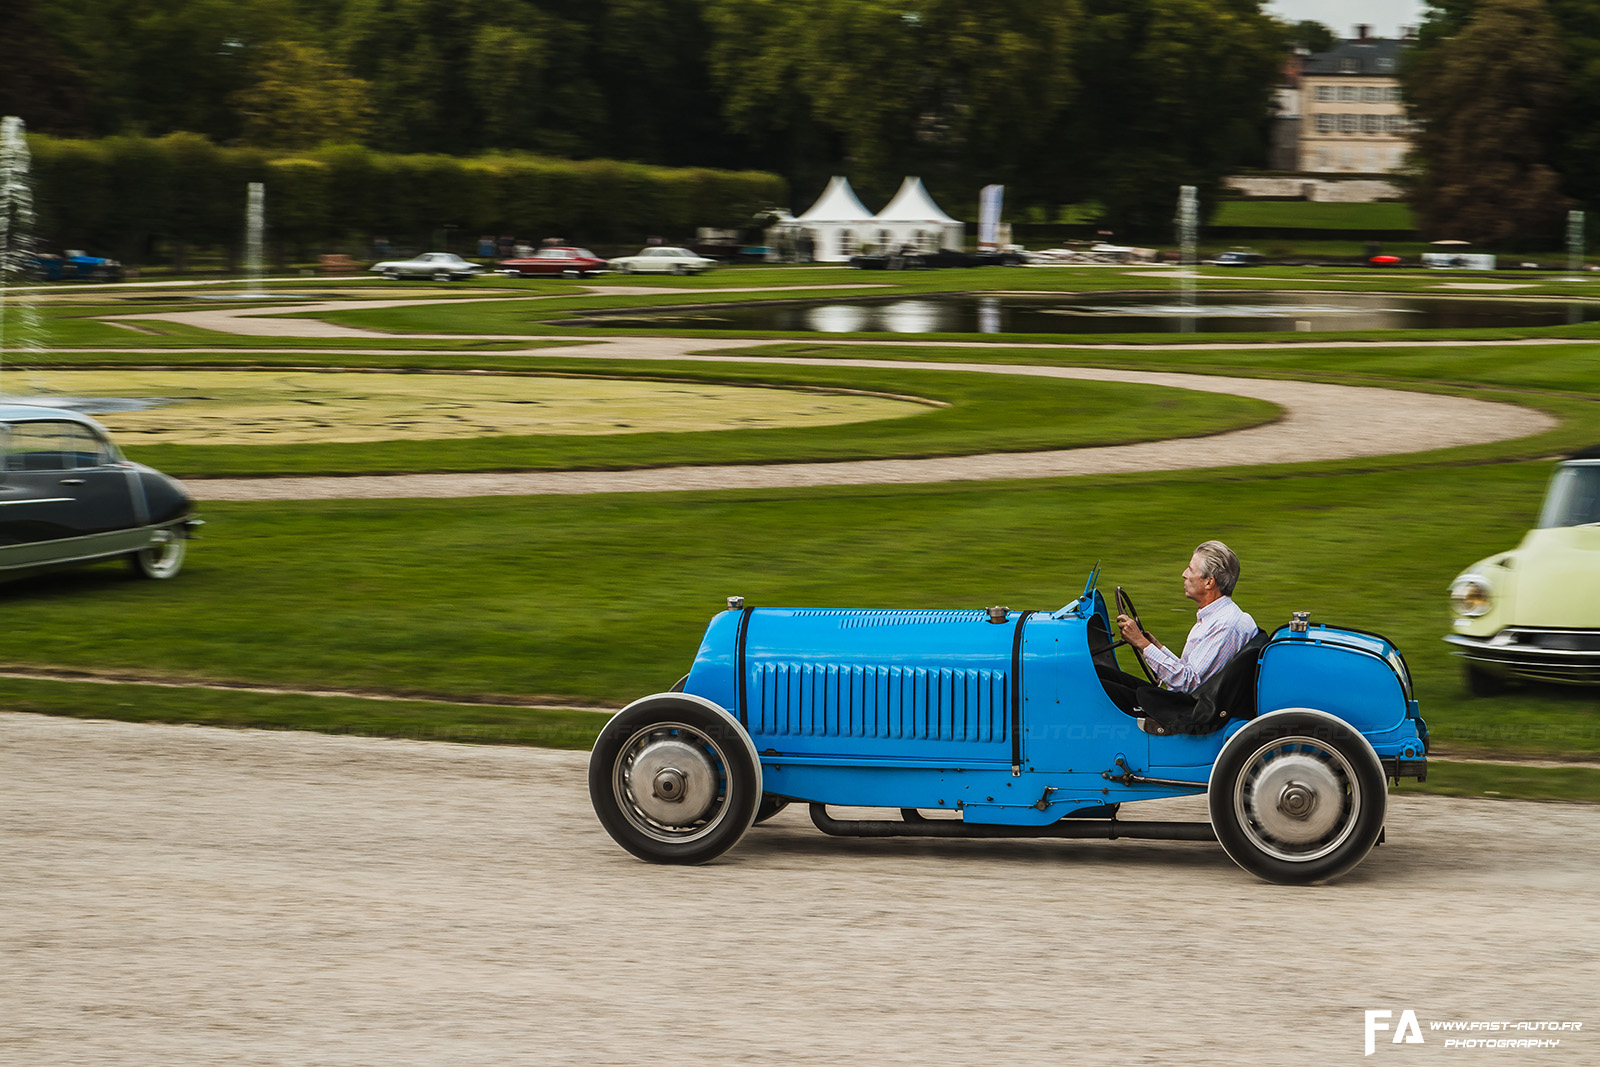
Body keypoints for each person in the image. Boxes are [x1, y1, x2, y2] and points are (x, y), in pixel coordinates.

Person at [1098, 540, 1257, 716]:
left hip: (1189, 711)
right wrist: (1156, 648)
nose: (1184, 574)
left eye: (1190, 569)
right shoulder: (1218, 617)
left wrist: (1143, 644)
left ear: (1209, 582)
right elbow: (1192, 672)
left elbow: (1188, 683)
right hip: (1190, 700)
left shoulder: (1225, 626)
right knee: (1099, 674)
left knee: (1093, 688)